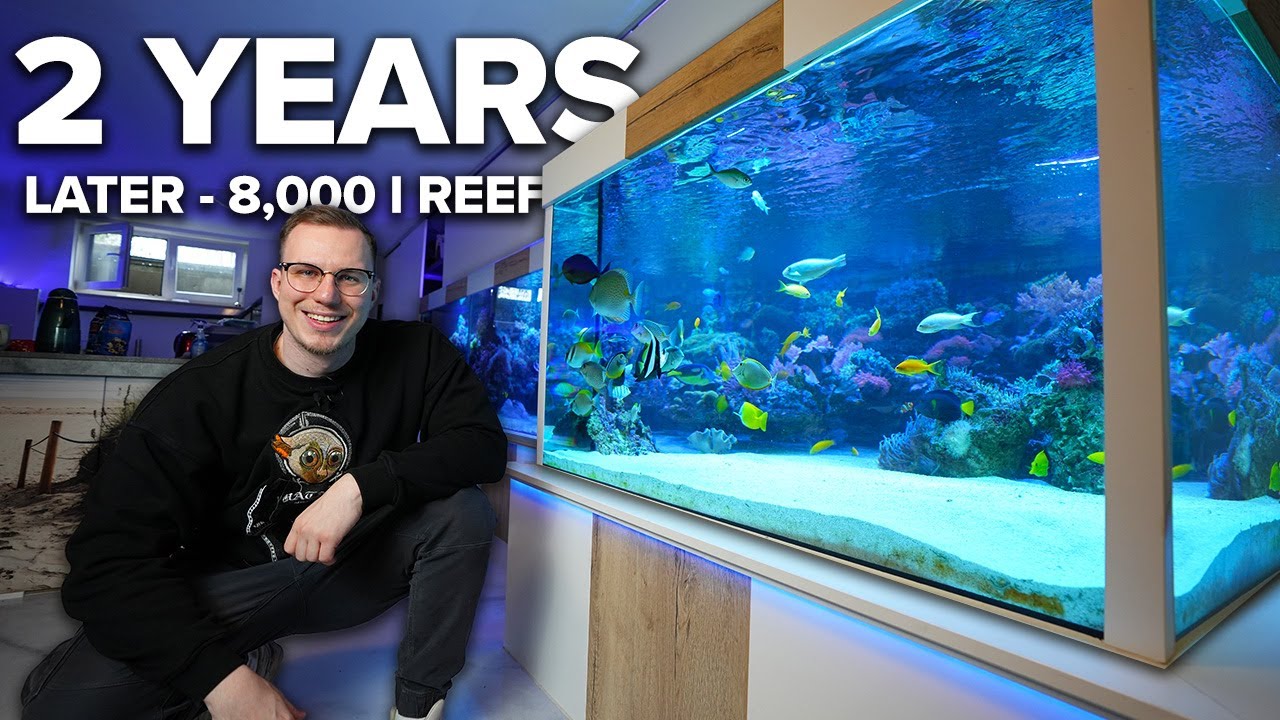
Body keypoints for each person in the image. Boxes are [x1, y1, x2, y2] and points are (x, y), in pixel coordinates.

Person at [20, 205, 508, 720]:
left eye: (349, 277)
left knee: (462, 511)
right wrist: (221, 680)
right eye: (306, 272)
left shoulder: (418, 352)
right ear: (278, 283)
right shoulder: (198, 395)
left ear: (373, 290)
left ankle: (417, 708)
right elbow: (105, 564)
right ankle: (243, 656)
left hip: (346, 569)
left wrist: (358, 488)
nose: (326, 295)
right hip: (228, 589)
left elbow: (481, 445)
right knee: (58, 711)